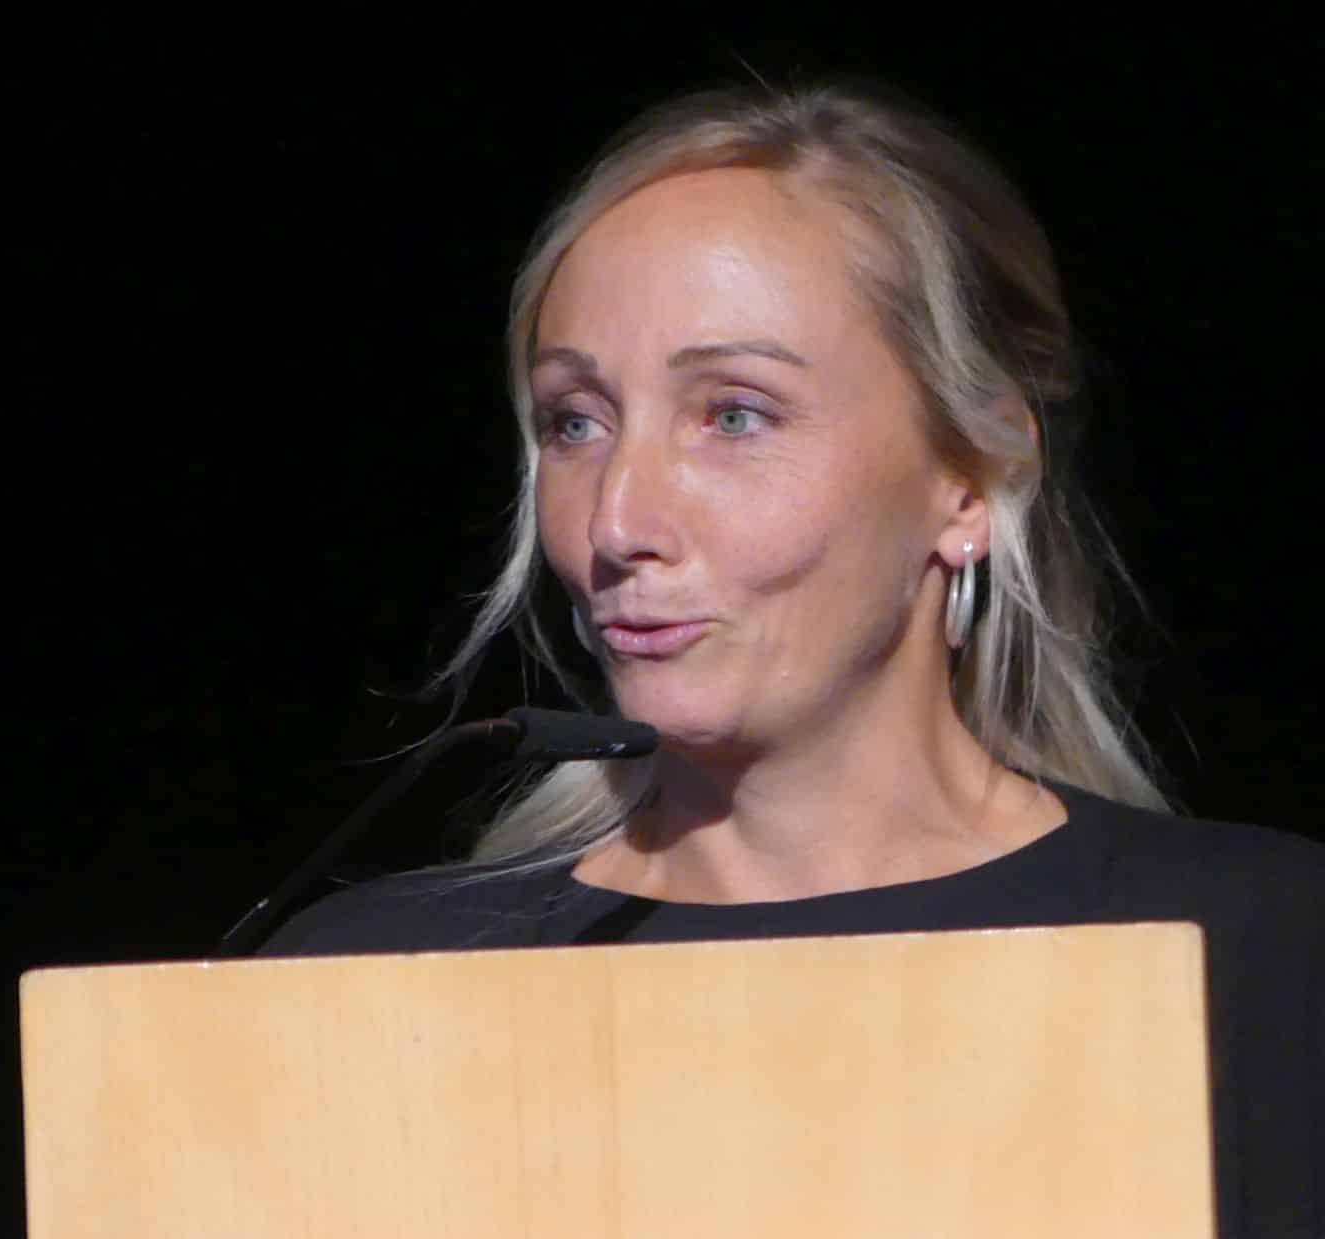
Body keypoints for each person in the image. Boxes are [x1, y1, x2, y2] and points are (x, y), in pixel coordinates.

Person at [263, 81, 1323, 1235]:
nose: (616, 521)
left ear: (971, 478)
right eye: (576, 421)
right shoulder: (369, 987)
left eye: (734, 415)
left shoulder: (1262, 954)